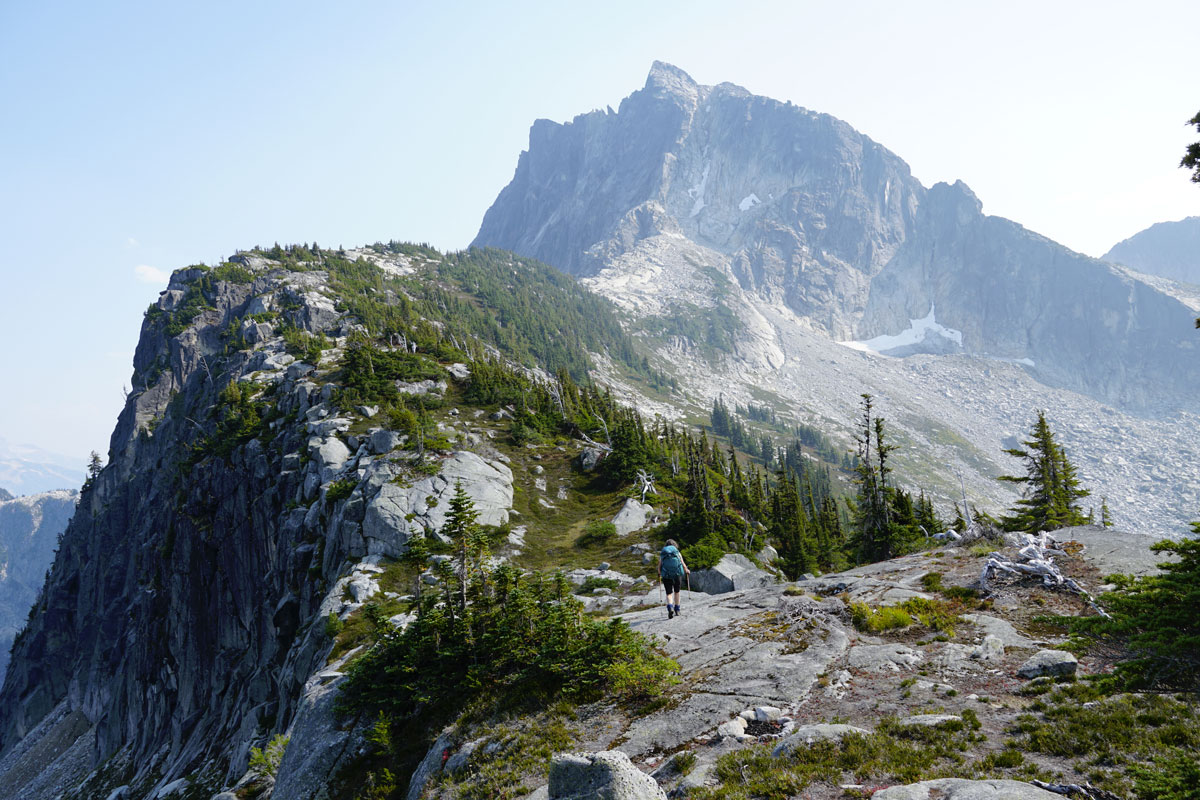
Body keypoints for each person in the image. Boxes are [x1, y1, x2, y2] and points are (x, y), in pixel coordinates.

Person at [658, 538, 690, 619]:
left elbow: (659, 565)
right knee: (677, 591)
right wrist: (686, 570)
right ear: (674, 545)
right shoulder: (677, 552)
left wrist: (659, 573)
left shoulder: (663, 553)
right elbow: (682, 563)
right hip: (677, 574)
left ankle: (670, 607)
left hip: (666, 575)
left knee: (669, 593)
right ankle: (677, 609)